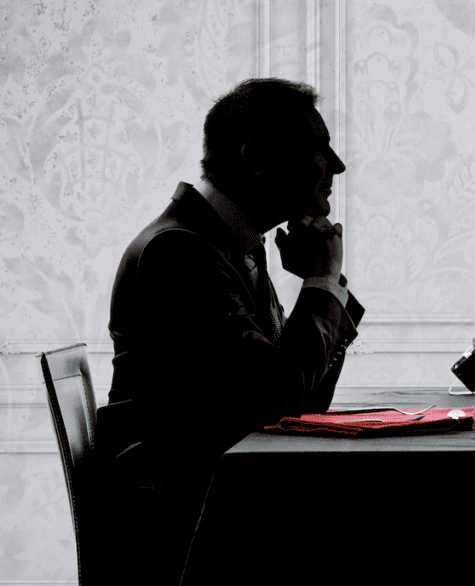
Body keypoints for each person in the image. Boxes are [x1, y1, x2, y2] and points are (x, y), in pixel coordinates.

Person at [97, 78, 364, 584]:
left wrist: (324, 284)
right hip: (190, 523)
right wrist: (322, 281)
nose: (336, 166)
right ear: (257, 159)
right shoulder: (182, 253)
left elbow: (301, 399)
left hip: (223, 500)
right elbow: (278, 396)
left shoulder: (224, 244)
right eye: (318, 148)